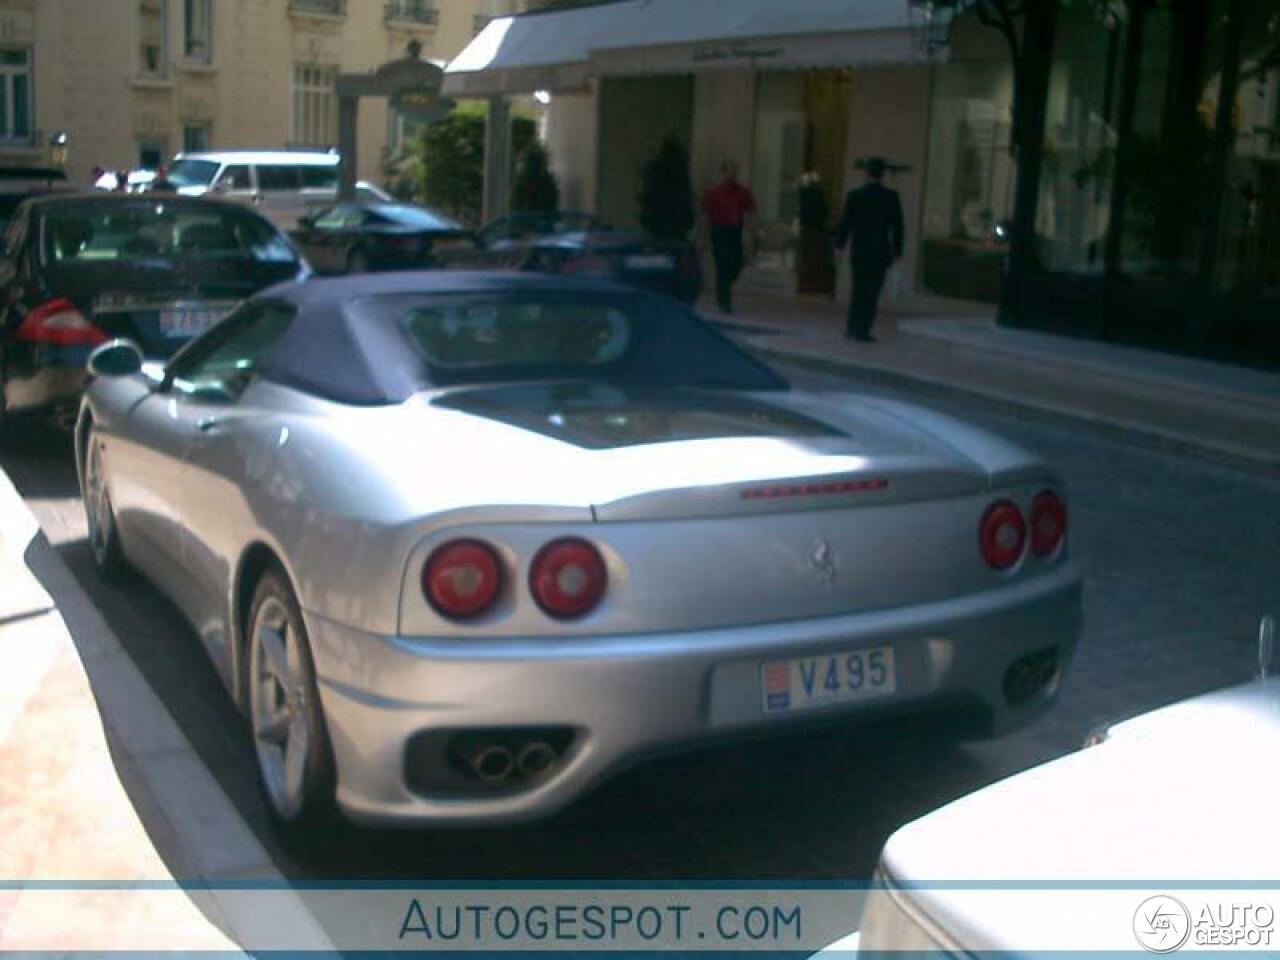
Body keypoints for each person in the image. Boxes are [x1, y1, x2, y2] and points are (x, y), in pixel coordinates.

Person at [833, 156, 904, 342]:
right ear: (883, 175)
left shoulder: (855, 196)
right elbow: (897, 226)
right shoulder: (891, 197)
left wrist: (839, 246)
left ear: (866, 174)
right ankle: (863, 329)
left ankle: (852, 326)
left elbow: (846, 223)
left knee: (858, 289)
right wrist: (897, 251)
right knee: (872, 293)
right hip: (880, 251)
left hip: (860, 249)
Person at [703, 161, 756, 314]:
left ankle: (724, 286)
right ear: (723, 174)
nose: (731, 176)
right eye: (728, 172)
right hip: (719, 232)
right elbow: (707, 215)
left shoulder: (742, 192)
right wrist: (705, 236)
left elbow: (751, 210)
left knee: (736, 264)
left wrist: (751, 231)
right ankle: (724, 301)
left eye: (733, 172)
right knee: (722, 267)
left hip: (734, 232)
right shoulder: (715, 193)